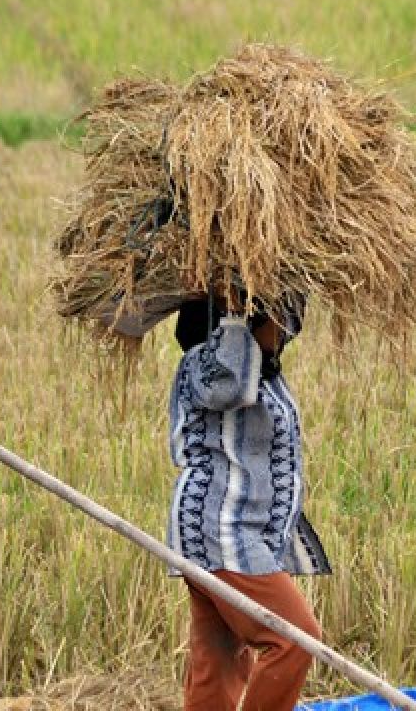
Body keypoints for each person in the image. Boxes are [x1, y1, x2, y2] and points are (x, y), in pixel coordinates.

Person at [167, 288, 331, 711]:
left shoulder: (261, 370)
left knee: (219, 658)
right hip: (221, 530)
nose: (286, 330)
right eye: (276, 320)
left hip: (237, 531)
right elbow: (230, 389)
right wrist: (236, 314)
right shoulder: (212, 369)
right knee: (294, 638)